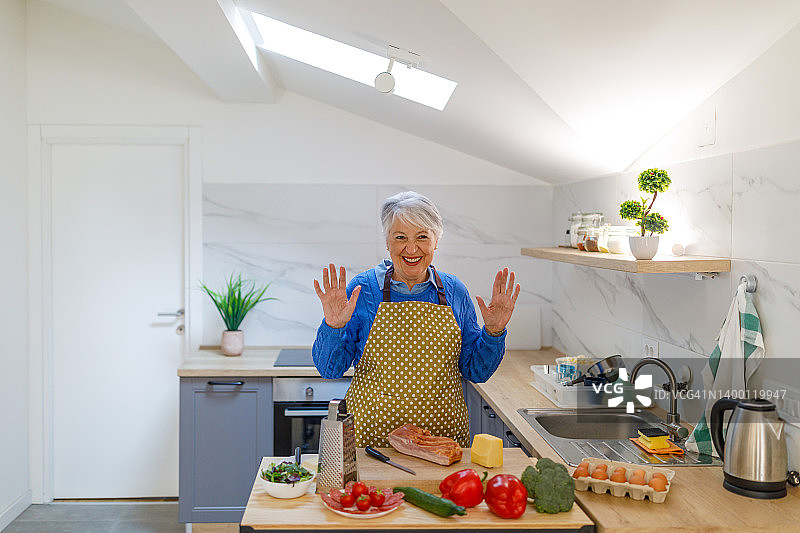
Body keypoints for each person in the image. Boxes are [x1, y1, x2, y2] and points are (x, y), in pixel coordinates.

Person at [312, 191, 520, 447]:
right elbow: (329, 369)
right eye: (400, 237)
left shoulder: (455, 291)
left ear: (436, 242)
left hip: (442, 444)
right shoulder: (363, 290)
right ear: (388, 242)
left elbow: (475, 371)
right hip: (372, 444)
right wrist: (333, 326)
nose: (411, 249)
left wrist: (494, 333)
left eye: (422, 237)